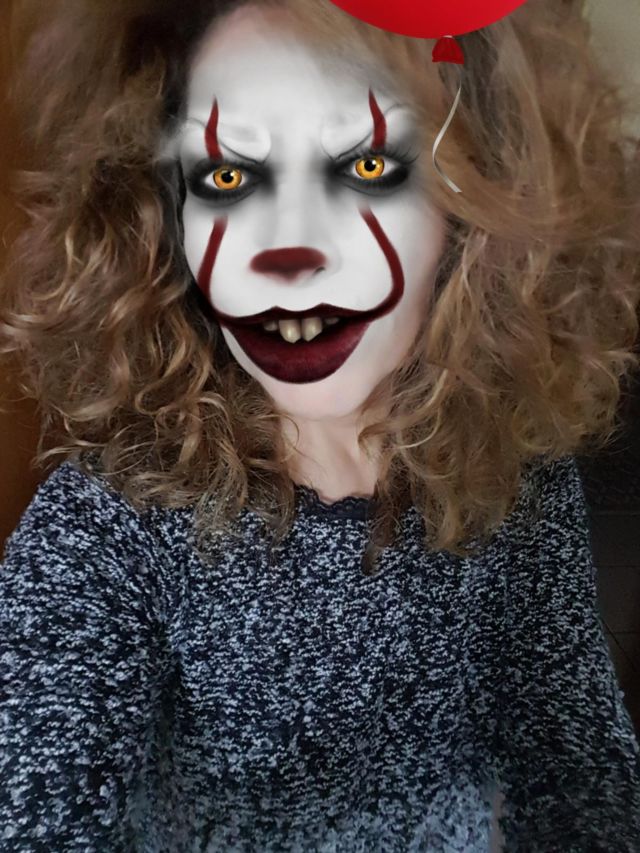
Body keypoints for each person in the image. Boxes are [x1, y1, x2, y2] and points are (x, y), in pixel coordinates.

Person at [1, 0, 639, 849]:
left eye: (367, 164)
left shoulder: (519, 477)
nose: (288, 252)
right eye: (228, 179)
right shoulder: (106, 528)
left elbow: (579, 769)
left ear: (478, 201)